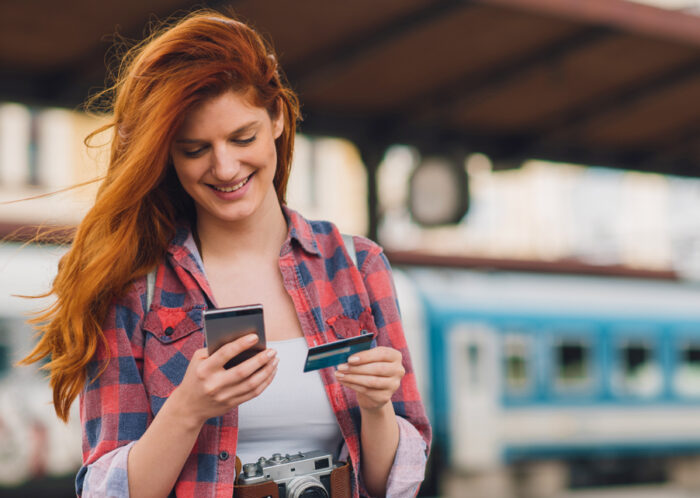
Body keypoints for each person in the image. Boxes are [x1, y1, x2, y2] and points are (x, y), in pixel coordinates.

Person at [21, 10, 431, 498]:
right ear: (166, 155)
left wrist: (377, 406)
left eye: (243, 138)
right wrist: (189, 407)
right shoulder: (132, 286)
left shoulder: (359, 267)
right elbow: (108, 490)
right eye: (195, 149)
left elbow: (394, 484)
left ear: (277, 117)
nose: (224, 166)